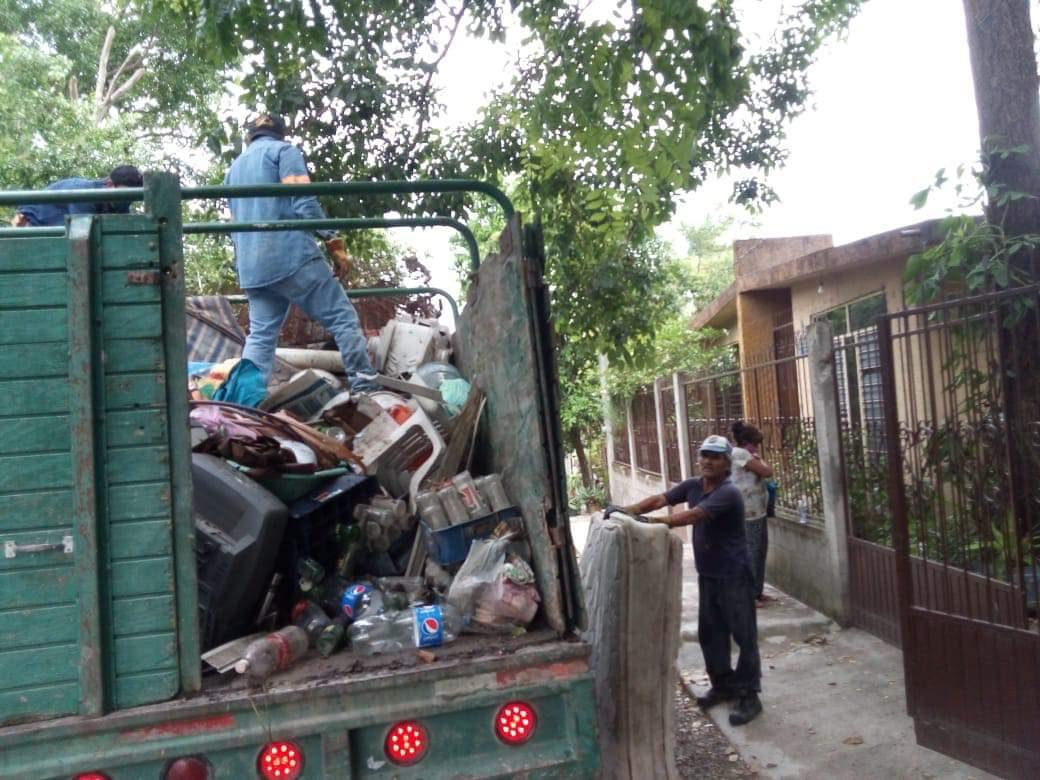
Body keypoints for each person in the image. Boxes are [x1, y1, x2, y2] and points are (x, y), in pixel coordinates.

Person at [604, 434, 763, 726]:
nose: (707, 461)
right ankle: (723, 685)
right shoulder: (693, 485)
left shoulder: (728, 492)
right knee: (710, 634)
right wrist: (628, 511)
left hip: (734, 575)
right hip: (709, 575)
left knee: (744, 636)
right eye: (704, 455)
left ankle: (749, 695)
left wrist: (648, 523)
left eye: (714, 457)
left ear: (727, 463)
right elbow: (660, 499)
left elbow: (692, 516)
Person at [224, 113, 378, 393]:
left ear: (249, 138)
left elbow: (234, 224)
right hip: (291, 257)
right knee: (342, 319)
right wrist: (334, 243)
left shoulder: (233, 170)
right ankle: (366, 390)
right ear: (280, 134)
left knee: (260, 338)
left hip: (252, 269)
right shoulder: (285, 151)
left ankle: (244, 402)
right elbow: (304, 202)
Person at [730, 421, 774, 606]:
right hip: (748, 513)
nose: (756, 447)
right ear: (746, 442)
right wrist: (757, 457)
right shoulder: (740, 453)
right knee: (752, 553)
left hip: (758, 511)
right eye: (754, 443)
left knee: (760, 551)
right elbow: (766, 471)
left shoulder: (748, 454)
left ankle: (757, 591)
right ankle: (748, 594)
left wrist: (756, 456)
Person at [12, 165, 143, 227]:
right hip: (30, 223)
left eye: (130, 198)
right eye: (122, 196)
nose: (126, 202)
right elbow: (84, 231)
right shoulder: (84, 193)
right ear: (110, 184)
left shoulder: (121, 203)